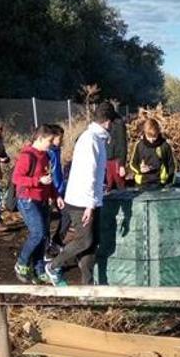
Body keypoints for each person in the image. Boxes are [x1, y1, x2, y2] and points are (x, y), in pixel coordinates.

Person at [45, 102, 115, 286]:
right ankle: (52, 266)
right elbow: (88, 173)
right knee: (85, 240)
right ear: (108, 122)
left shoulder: (96, 138)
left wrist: (100, 189)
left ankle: (88, 285)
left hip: (90, 199)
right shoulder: (90, 139)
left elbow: (96, 173)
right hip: (81, 201)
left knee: (92, 243)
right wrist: (90, 204)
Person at [12, 125, 60, 283]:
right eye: (49, 140)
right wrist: (37, 180)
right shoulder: (28, 155)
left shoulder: (45, 156)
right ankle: (22, 262)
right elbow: (17, 178)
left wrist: (56, 195)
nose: (52, 143)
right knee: (37, 232)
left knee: (44, 235)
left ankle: (39, 269)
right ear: (39, 138)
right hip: (28, 198)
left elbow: (49, 180)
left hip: (43, 199)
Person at [129, 118, 176, 188]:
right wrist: (140, 170)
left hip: (160, 183)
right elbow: (132, 163)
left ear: (158, 133)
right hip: (142, 183)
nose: (152, 140)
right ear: (145, 133)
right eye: (149, 137)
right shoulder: (139, 145)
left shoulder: (164, 145)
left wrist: (169, 182)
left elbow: (171, 165)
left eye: (154, 137)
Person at [45, 124, 69, 260]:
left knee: (67, 215)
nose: (61, 141)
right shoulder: (48, 152)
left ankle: (56, 242)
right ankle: (46, 248)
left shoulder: (57, 150)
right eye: (59, 138)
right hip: (51, 190)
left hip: (59, 189)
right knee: (46, 220)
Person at [105, 110, 128, 191]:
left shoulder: (118, 124)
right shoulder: (104, 125)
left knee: (120, 185)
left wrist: (122, 165)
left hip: (116, 160)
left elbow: (123, 145)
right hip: (107, 160)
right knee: (108, 185)